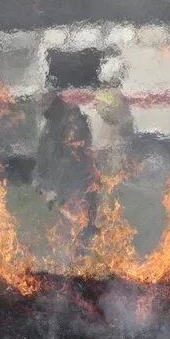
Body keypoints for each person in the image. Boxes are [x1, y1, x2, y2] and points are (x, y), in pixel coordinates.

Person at [34, 94, 98, 249]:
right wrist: (41, 182)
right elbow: (44, 156)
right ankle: (71, 256)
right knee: (66, 225)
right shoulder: (51, 128)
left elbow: (77, 154)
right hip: (63, 183)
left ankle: (80, 252)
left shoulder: (75, 123)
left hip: (77, 181)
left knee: (79, 221)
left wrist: (49, 186)